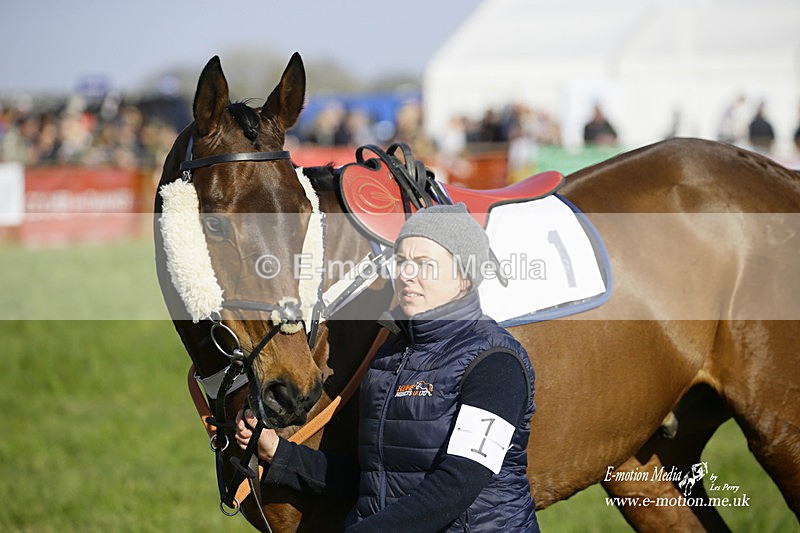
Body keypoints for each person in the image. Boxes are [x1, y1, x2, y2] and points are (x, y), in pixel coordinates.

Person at [235, 203, 539, 532]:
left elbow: (460, 484)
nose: (407, 275)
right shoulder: (389, 356)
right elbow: (374, 477)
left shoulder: (496, 363)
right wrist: (280, 454)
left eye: (425, 265)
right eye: (403, 262)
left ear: (464, 276)